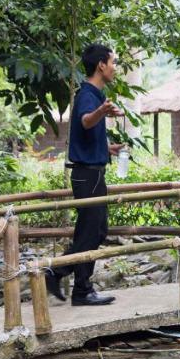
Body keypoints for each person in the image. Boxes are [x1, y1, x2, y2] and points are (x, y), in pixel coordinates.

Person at [45, 43, 120, 306]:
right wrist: (103, 111)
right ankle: (63, 276)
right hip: (86, 175)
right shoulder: (89, 94)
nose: (115, 68)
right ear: (101, 65)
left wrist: (108, 147)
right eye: (113, 62)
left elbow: (86, 134)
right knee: (91, 233)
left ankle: (78, 287)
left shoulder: (94, 94)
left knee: (95, 231)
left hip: (92, 173)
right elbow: (86, 121)